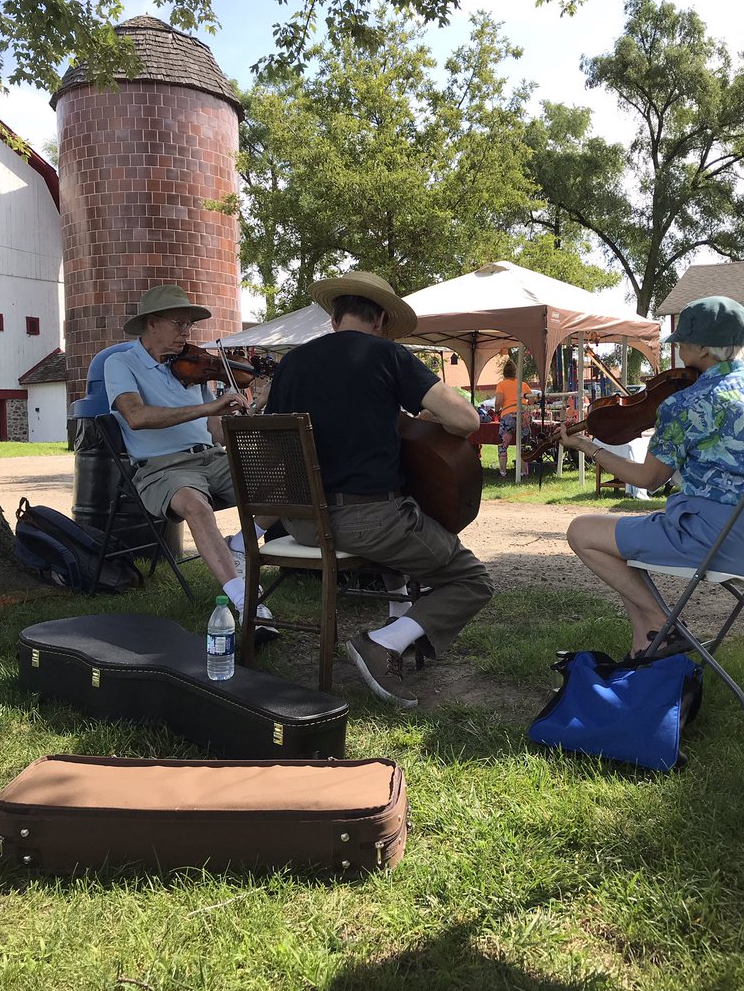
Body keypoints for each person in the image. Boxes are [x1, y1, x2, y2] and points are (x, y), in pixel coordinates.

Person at [263, 271, 494, 709]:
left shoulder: (291, 363)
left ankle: (395, 623)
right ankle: (383, 642)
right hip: (365, 523)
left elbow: (279, 445)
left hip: (301, 522)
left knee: (403, 516)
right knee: (471, 579)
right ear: (383, 319)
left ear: (335, 318)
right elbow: (467, 421)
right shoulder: (389, 355)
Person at [562, 296, 744, 659]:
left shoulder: (687, 403)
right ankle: (645, 645)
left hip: (719, 540)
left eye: (684, 341)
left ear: (703, 348)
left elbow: (648, 479)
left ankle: (665, 623)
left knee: (583, 532)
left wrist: (588, 447)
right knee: (624, 545)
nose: (679, 347)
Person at [103, 285, 278, 645]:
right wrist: (206, 408)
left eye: (189, 326)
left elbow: (214, 431)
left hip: (209, 457)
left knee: (287, 478)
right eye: (179, 324)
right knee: (197, 508)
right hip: (162, 468)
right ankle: (247, 602)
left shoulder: (190, 368)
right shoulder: (119, 363)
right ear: (151, 324)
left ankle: (243, 545)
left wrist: (241, 414)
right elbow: (135, 416)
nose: (187, 333)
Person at [494, 358, 540, 478]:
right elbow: (531, 400)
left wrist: (496, 409)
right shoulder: (523, 384)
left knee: (503, 444)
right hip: (523, 414)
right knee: (523, 444)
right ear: (515, 372)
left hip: (508, 414)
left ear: (504, 373)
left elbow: (499, 400)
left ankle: (503, 472)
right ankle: (524, 472)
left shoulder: (501, 384)